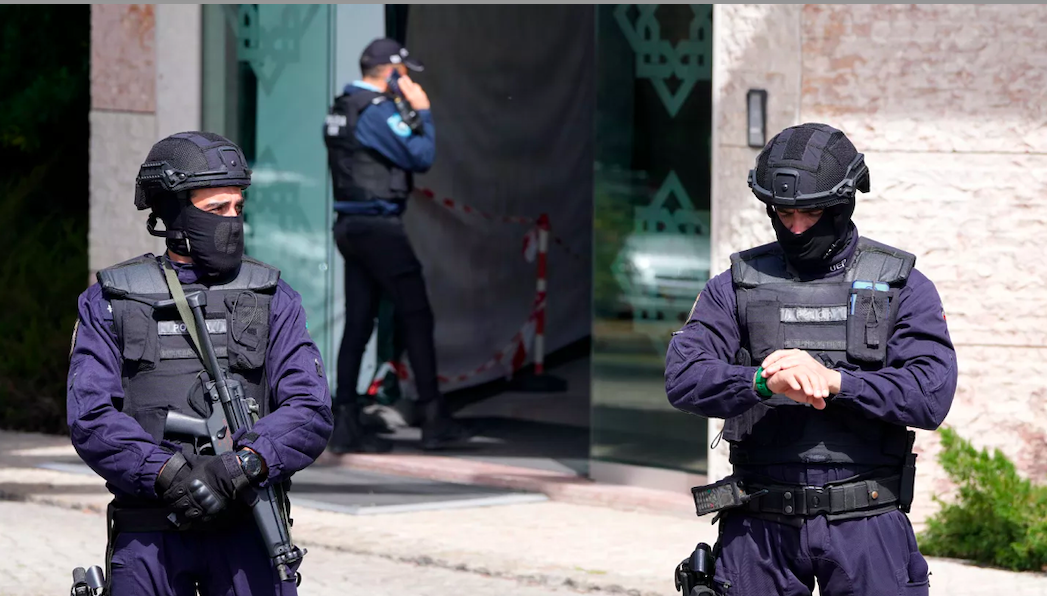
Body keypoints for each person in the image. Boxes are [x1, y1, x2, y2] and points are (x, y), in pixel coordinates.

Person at [666, 123, 957, 595]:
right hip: (759, 527)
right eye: (784, 213)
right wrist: (763, 382)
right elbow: (683, 377)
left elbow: (929, 395)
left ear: (844, 204)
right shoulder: (736, 285)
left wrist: (835, 382)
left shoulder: (902, 285)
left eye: (812, 212)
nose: (796, 227)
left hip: (866, 523)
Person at [66, 131, 333, 595]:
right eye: (216, 208)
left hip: (248, 527)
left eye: (238, 208)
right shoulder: (111, 301)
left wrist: (242, 466)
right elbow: (90, 417)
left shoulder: (273, 297)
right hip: (150, 530)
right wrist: (166, 473)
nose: (232, 221)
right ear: (174, 212)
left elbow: (310, 410)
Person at [322, 38, 472, 453]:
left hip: (350, 226)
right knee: (416, 315)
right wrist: (422, 110)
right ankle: (434, 418)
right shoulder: (376, 111)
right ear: (390, 73)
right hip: (378, 228)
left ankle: (346, 420)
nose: (407, 81)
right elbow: (420, 156)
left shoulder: (343, 106)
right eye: (404, 74)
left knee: (359, 322)